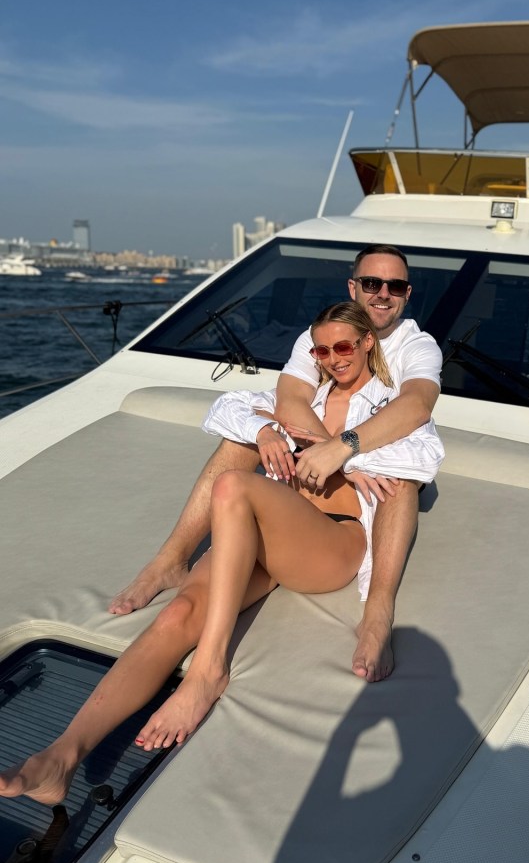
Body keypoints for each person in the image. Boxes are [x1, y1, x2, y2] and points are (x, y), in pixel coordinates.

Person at [0, 302, 444, 806]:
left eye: (344, 346)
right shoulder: (307, 400)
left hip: (332, 543)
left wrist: (347, 454)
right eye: (322, 350)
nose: (333, 358)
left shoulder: (385, 408)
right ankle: (59, 759)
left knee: (234, 485)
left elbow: (417, 459)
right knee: (180, 613)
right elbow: (233, 407)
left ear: (367, 343)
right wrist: (266, 430)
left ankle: (209, 671)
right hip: (272, 531)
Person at [109, 244, 442, 682]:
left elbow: (416, 404)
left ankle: (378, 609)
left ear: (407, 292)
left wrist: (344, 449)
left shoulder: (416, 345)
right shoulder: (317, 335)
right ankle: (170, 560)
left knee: (401, 473)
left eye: (394, 285)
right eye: (371, 283)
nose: (382, 293)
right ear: (353, 287)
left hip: (378, 449)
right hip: (329, 445)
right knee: (245, 438)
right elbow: (291, 399)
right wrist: (331, 450)